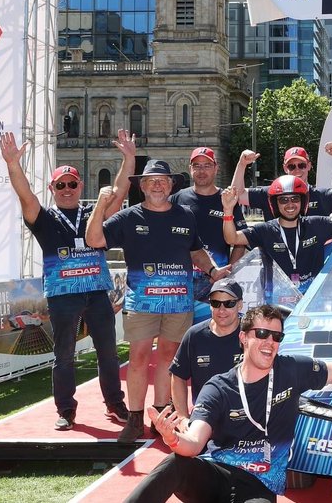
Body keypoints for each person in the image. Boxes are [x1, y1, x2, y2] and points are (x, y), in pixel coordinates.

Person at [126, 304, 332, 503]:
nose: (270, 342)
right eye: (262, 333)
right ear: (243, 337)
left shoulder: (291, 369)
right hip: (216, 475)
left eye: (277, 336)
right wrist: (173, 438)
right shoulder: (218, 387)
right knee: (174, 464)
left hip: (260, 483)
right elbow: (194, 443)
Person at [86, 159, 232, 443]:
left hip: (178, 302)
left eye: (163, 180)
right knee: (138, 358)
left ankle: (162, 416)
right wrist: (101, 206)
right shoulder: (128, 217)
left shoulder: (186, 215)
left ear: (171, 185)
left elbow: (196, 251)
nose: (157, 184)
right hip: (142, 302)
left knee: (169, 358)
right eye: (151, 180)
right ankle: (134, 418)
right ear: (141, 186)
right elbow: (93, 240)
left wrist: (213, 270)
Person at [0, 129, 135, 431]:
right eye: (60, 185)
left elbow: (119, 193)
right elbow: (25, 194)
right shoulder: (44, 218)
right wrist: (12, 164)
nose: (66, 189)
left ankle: (114, 403)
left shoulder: (92, 212)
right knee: (64, 355)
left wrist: (128, 159)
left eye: (72, 184)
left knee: (108, 352)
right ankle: (65, 409)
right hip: (62, 296)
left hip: (97, 292)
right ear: (52, 188)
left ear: (80, 185)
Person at [221, 173, 332, 296]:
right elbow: (231, 238)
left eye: (295, 199)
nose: (290, 204)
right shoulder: (265, 230)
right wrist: (228, 210)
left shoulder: (316, 224)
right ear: (275, 204)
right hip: (276, 299)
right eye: (283, 200)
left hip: (314, 297)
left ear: (303, 202)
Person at [170, 146, 247, 300]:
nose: (201, 171)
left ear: (216, 168)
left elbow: (241, 241)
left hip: (216, 280)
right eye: (197, 166)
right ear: (190, 169)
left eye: (207, 166)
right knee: (180, 324)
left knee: (212, 323)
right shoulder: (176, 199)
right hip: (181, 280)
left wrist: (227, 273)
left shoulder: (227, 199)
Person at [170, 278, 244, 422]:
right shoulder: (194, 335)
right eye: (215, 303)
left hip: (245, 417)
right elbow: (178, 376)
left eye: (229, 303)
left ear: (240, 305)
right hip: (205, 417)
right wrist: (183, 417)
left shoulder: (252, 334)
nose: (222, 310)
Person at [231, 143, 332, 220]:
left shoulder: (321, 196)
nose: (297, 170)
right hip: (275, 264)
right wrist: (242, 164)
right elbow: (237, 195)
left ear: (308, 166)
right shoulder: (270, 193)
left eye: (301, 165)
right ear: (285, 168)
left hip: (314, 264)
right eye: (292, 166)